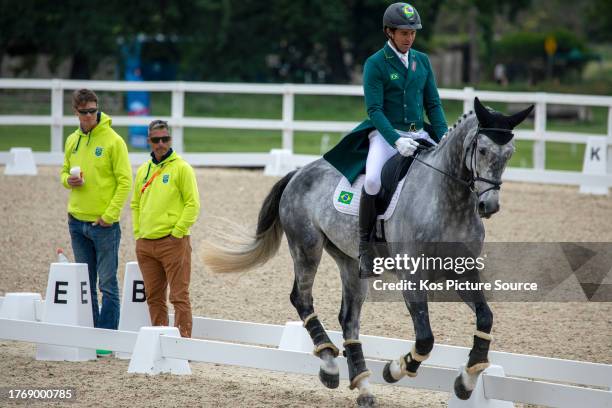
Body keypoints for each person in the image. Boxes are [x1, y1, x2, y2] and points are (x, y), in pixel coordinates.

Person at [323, 3, 448, 279]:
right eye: (404, 33)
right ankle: (366, 249)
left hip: (419, 134)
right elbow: (374, 110)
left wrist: (445, 137)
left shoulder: (422, 61)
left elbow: (433, 104)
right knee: (372, 181)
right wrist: (394, 139)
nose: (409, 38)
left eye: (413, 33)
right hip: (385, 134)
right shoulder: (375, 63)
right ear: (389, 32)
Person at [61, 89, 132, 355]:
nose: (90, 116)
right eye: (85, 112)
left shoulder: (114, 141)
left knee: (107, 284)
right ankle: (90, 336)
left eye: (93, 110)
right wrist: (68, 180)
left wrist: (110, 216)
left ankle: (106, 341)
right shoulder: (72, 140)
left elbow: (125, 181)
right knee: (85, 283)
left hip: (104, 225)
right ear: (75, 112)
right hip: (76, 222)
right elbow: (63, 171)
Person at [131, 120, 200, 338]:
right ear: (148, 141)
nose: (160, 143)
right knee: (153, 297)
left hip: (173, 242)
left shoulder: (182, 168)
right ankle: (159, 341)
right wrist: (138, 233)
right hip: (145, 243)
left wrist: (177, 232)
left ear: (170, 139)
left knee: (179, 296)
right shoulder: (143, 170)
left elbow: (193, 204)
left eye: (165, 139)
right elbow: (135, 204)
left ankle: (182, 344)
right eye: (155, 140)